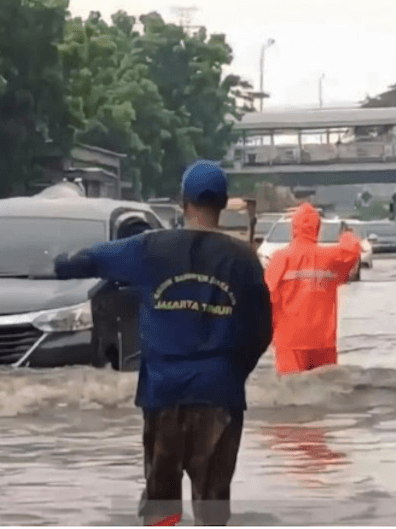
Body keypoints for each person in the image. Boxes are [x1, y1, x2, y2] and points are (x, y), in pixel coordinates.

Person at [54, 160, 273, 526]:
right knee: (213, 510)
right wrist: (232, 372)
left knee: (161, 506)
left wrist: (60, 263)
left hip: (163, 395)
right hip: (220, 395)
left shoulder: (149, 249)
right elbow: (262, 332)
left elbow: (90, 260)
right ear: (221, 204)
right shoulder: (245, 262)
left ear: (183, 201)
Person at [264, 203, 361, 375]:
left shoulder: (281, 258)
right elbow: (352, 250)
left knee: (291, 390)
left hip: (290, 341)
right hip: (323, 341)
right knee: (326, 389)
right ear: (318, 228)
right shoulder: (330, 257)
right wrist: (347, 234)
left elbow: (264, 297)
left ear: (294, 227)